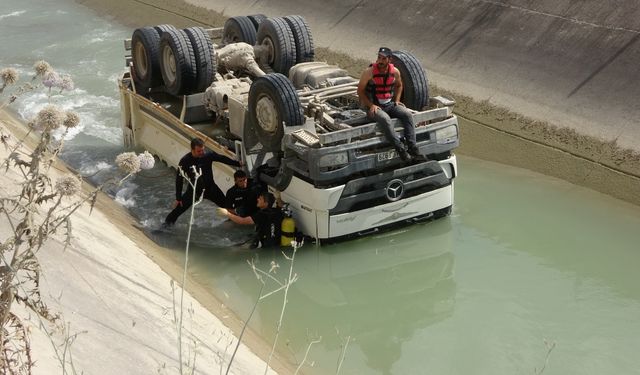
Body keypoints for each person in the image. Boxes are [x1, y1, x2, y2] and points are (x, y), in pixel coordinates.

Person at [357, 46, 427, 162]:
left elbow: (399, 85)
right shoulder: (369, 72)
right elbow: (360, 91)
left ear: (389, 60)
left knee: (407, 115)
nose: (380, 61)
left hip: (389, 105)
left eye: (383, 59)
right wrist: (371, 105)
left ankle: (413, 148)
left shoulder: (395, 72)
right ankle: (401, 150)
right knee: (386, 120)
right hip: (374, 108)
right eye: (379, 57)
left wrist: (397, 101)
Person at [164, 137, 241, 226]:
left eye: (202, 150)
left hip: (211, 189)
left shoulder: (208, 155)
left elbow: (222, 158)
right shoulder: (185, 161)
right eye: (199, 151)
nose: (202, 153)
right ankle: (165, 227)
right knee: (177, 211)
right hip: (194, 191)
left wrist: (237, 163)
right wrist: (178, 197)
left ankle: (238, 222)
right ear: (192, 150)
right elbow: (179, 179)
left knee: (227, 206)